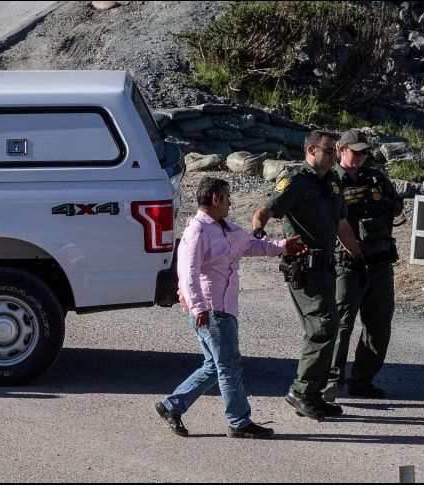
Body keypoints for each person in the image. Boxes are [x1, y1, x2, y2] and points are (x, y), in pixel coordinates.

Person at [155, 176, 306, 439]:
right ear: (215, 199)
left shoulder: (224, 228)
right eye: (227, 197)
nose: (230, 203)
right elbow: (187, 273)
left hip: (222, 309)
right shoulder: (198, 231)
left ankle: (172, 406)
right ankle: (239, 421)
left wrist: (283, 247)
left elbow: (251, 245)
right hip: (211, 311)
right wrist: (199, 307)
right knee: (229, 366)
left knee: (216, 365)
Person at [251, 130, 364, 422]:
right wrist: (258, 231)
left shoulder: (333, 182)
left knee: (329, 327)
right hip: (304, 267)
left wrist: (358, 257)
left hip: (327, 266)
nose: (332, 156)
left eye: (334, 151)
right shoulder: (296, 180)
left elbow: (342, 226)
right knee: (323, 327)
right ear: (311, 151)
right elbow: (266, 210)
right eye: (327, 151)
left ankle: (312, 394)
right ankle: (300, 391)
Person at [322, 129, 403, 402]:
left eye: (364, 153)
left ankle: (362, 380)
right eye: (354, 152)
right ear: (341, 150)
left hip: (380, 263)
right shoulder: (330, 180)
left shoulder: (377, 179)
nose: (359, 157)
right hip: (347, 265)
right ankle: (332, 379)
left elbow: (396, 207)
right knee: (341, 323)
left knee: (378, 325)